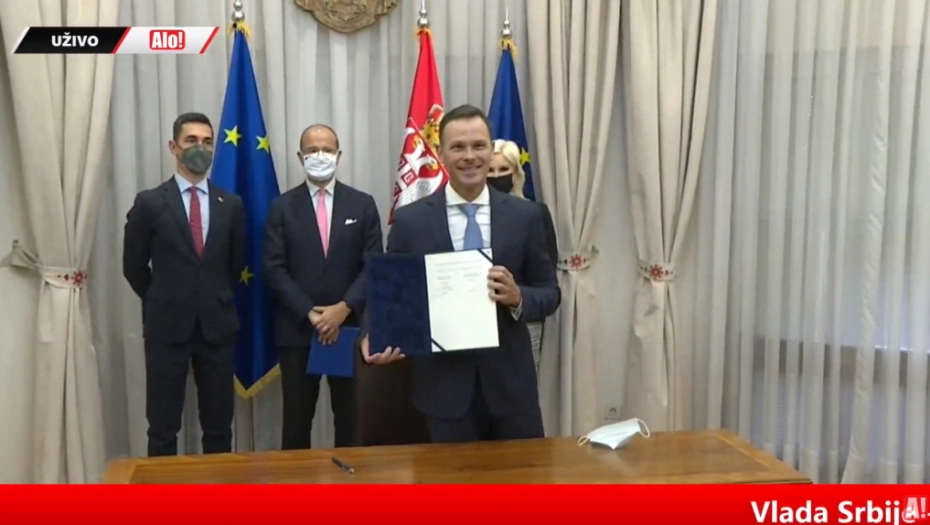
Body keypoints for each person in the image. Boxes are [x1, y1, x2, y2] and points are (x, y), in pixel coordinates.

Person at [360, 104, 561, 443]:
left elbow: (550, 293)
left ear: (490, 149)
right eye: (458, 147)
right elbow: (390, 293)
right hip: (442, 391)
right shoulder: (411, 221)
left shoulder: (527, 216)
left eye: (478, 146)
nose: (470, 156)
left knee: (524, 476)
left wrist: (518, 298)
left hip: (513, 392)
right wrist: (374, 333)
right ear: (441, 153)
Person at [122, 112, 246, 456]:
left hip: (217, 329)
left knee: (219, 427)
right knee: (163, 428)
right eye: (191, 141)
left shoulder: (231, 205)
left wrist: (210, 298)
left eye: (207, 142)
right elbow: (133, 267)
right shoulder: (150, 202)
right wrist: (163, 298)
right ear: (173, 147)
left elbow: (235, 265)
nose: (200, 148)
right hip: (167, 328)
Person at [263, 124, 383, 449]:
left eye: (327, 150)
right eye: (312, 150)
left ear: (339, 155)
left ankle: (350, 480)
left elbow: (373, 264)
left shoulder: (362, 204)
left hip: (349, 329)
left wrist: (343, 309)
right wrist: (311, 314)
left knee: (351, 421)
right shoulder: (281, 207)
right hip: (298, 332)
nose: (320, 156)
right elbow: (273, 268)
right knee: (296, 423)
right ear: (300, 157)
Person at [487, 139, 559, 372]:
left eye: (503, 169)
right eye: (490, 170)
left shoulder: (533, 213)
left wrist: (517, 297)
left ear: (516, 173)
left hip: (523, 321)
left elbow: (547, 271)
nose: (497, 176)